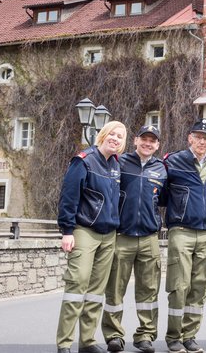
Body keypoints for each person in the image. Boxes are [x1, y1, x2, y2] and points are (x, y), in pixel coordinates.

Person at [56, 121, 127, 353]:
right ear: (103, 135)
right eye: (112, 134)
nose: (115, 139)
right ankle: (64, 343)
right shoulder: (84, 160)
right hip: (85, 230)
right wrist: (67, 231)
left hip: (109, 234)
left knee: (96, 292)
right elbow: (69, 197)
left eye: (120, 136)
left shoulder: (115, 165)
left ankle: (87, 341)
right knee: (77, 284)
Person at [102, 125, 167, 353]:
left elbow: (163, 199)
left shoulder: (161, 169)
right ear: (136, 140)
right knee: (115, 289)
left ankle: (145, 335)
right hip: (122, 236)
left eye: (153, 141)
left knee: (149, 290)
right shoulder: (120, 163)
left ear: (158, 145)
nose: (148, 144)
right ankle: (113, 335)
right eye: (144, 139)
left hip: (149, 237)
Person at [163, 119, 206, 353]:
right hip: (182, 231)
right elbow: (161, 194)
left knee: (200, 286)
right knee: (179, 285)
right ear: (190, 138)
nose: (202, 141)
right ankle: (174, 337)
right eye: (199, 136)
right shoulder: (173, 162)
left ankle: (190, 335)